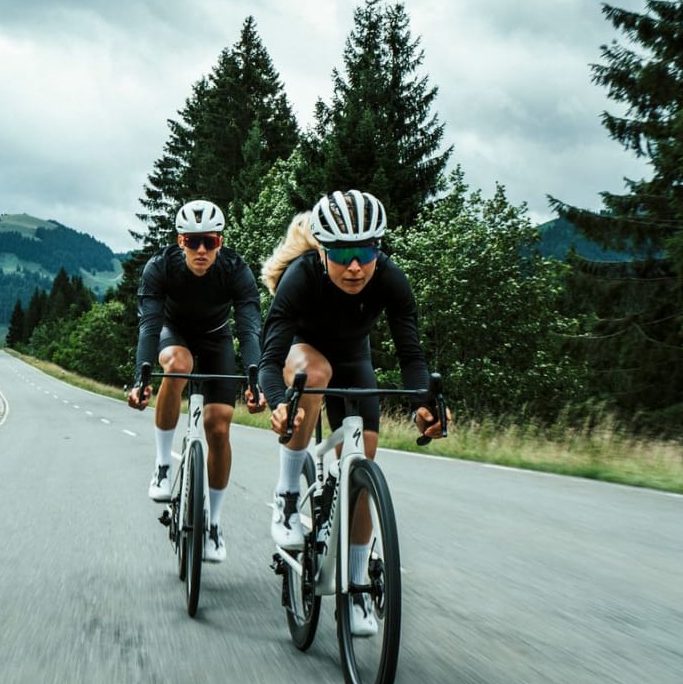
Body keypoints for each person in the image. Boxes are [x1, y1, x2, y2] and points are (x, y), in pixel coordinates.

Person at [258, 190, 448, 636]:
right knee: (316, 373)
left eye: (366, 252)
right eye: (343, 254)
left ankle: (358, 584)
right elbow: (269, 361)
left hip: (355, 359)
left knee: (363, 464)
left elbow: (411, 355)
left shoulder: (391, 280)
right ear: (323, 251)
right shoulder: (301, 277)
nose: (356, 265)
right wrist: (279, 403)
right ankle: (287, 497)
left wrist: (424, 405)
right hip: (303, 355)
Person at [126, 199, 266, 563]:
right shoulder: (159, 267)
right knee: (178, 364)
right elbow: (149, 324)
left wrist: (256, 378)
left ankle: (214, 523)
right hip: (175, 333)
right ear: (180, 241)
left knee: (219, 427)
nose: (201, 250)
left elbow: (250, 329)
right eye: (193, 242)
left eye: (210, 242)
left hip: (217, 338)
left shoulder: (236, 271)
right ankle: (162, 464)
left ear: (220, 242)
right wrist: (141, 377)